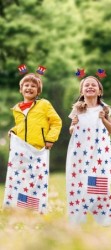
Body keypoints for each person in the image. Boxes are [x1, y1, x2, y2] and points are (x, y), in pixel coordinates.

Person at [3, 72, 62, 214]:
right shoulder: (17, 109)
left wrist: (50, 139)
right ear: (21, 89)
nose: (29, 88)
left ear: (38, 90)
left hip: (38, 149)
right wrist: (14, 130)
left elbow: (56, 122)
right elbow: (22, 126)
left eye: (33, 86)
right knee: (20, 178)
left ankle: (36, 208)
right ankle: (18, 207)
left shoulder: (44, 104)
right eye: (26, 85)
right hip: (22, 149)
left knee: (36, 179)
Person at [66, 74, 111, 226]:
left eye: (93, 85)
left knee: (100, 180)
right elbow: (72, 130)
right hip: (81, 152)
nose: (90, 87)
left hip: (99, 152)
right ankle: (79, 215)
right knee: (80, 180)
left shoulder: (104, 109)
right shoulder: (77, 109)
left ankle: (101, 216)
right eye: (86, 85)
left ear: (100, 91)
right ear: (82, 91)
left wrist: (103, 119)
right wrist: (73, 125)